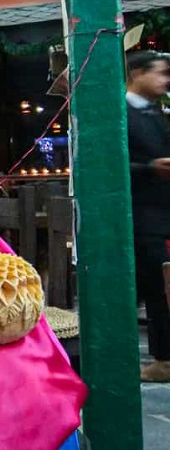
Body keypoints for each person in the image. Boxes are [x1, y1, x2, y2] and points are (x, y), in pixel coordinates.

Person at [125, 50, 170, 382]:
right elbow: (110, 164)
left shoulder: (156, 113)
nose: (164, 81)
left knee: (155, 286)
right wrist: (150, 169)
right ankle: (163, 359)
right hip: (141, 216)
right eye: (159, 73)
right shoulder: (119, 112)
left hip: (161, 212)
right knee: (155, 286)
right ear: (137, 73)